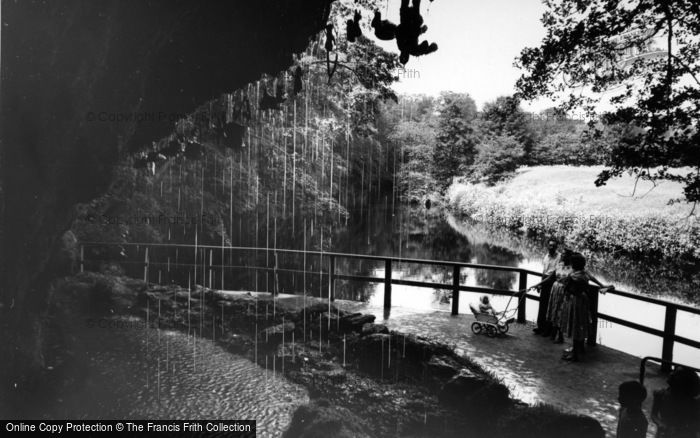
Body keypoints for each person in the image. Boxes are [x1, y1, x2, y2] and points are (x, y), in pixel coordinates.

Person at [651, 366, 700, 438]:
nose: (671, 374)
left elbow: (697, 424)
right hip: (665, 432)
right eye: (674, 372)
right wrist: (661, 424)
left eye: (677, 374)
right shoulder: (660, 394)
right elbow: (654, 414)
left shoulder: (694, 402)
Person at [531, 238, 560, 336]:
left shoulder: (559, 257)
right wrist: (540, 284)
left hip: (552, 282)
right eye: (550, 245)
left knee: (550, 306)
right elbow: (544, 271)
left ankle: (548, 330)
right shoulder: (546, 256)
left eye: (553, 245)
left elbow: (554, 274)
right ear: (547, 246)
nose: (551, 247)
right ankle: (540, 326)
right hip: (545, 281)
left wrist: (540, 284)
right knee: (542, 305)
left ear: (556, 247)